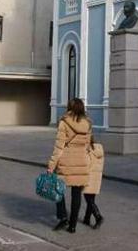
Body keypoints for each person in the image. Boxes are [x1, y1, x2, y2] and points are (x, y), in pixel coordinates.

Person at [47, 98, 92, 233]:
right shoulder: (88, 123)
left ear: (69, 107)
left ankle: (63, 217)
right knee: (77, 193)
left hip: (66, 160)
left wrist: (51, 165)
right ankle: (73, 225)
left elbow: (59, 146)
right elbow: (88, 146)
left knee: (58, 189)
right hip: (81, 161)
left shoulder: (64, 122)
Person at [82, 134, 105, 229]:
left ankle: (98, 216)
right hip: (96, 176)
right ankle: (86, 219)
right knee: (91, 197)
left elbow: (86, 164)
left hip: (88, 176)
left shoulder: (87, 150)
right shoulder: (99, 148)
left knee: (88, 198)